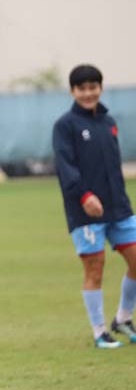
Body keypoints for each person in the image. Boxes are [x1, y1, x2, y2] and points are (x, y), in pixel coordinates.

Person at [53, 64, 136, 349]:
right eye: (82, 88)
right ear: (73, 91)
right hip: (85, 211)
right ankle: (100, 331)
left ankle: (123, 318)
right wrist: (85, 196)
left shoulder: (107, 121)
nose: (88, 93)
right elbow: (66, 168)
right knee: (95, 269)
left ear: (100, 88)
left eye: (93, 87)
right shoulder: (65, 125)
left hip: (119, 208)